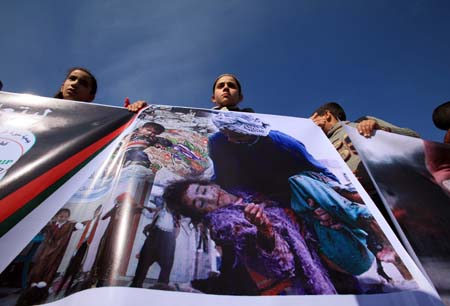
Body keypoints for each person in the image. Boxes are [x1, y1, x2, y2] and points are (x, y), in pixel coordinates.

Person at [164, 179, 337, 295]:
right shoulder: (226, 225)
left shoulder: (243, 189)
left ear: (211, 184)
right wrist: (265, 230)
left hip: (322, 237)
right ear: (201, 214)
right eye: (200, 203)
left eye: (203, 190)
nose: (209, 197)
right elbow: (281, 265)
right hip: (312, 271)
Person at [208, 112, 338, 204]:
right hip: (242, 192)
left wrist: (338, 191)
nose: (230, 139)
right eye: (226, 134)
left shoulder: (283, 143)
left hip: (286, 193)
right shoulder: (217, 141)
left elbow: (318, 169)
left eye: (236, 135)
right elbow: (222, 177)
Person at [310, 102, 420, 196]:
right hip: (366, 201)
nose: (312, 123)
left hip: (397, 188)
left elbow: (413, 137)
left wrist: (380, 130)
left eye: (315, 119)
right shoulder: (320, 147)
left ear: (327, 115)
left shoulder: (363, 122)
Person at [27, 208, 83, 287]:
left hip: (58, 250)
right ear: (56, 216)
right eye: (61, 216)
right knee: (40, 263)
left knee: (52, 266)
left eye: (65, 217)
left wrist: (75, 222)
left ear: (68, 217)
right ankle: (34, 281)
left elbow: (80, 227)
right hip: (47, 248)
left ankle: (45, 283)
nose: (63, 218)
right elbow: (41, 229)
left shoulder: (69, 225)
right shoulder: (51, 224)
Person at [54, 67, 146, 111]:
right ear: (62, 87)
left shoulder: (96, 125)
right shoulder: (40, 113)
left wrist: (130, 115)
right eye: (72, 78)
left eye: (83, 83)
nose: (75, 83)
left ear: (90, 97)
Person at [130, 207, 178, 289]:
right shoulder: (160, 211)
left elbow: (177, 229)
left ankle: (161, 288)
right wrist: (142, 210)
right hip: (155, 237)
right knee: (143, 263)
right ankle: (136, 285)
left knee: (166, 268)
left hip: (168, 240)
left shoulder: (177, 216)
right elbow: (150, 215)